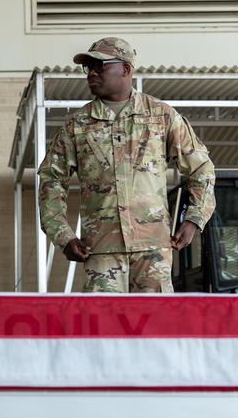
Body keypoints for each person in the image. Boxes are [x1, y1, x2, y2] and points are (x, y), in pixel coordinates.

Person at [36, 37, 215, 292]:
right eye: (88, 67)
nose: (92, 73)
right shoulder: (78, 124)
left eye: (100, 66)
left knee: (154, 326)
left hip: (153, 249)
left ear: (126, 69)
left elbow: (201, 168)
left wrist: (194, 218)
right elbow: (51, 179)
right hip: (101, 252)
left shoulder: (161, 116)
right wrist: (62, 235)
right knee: (103, 327)